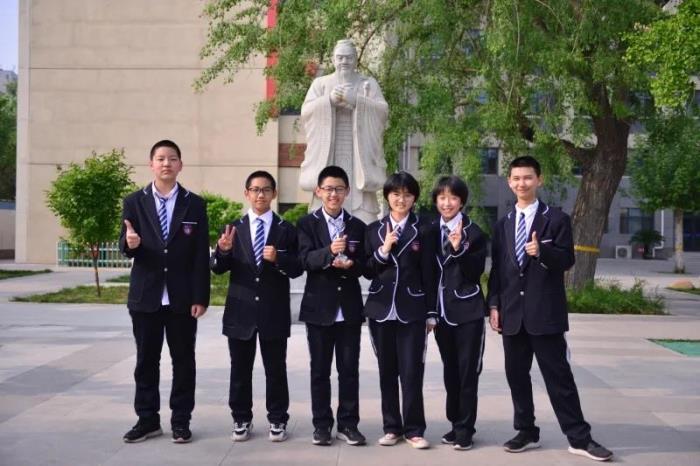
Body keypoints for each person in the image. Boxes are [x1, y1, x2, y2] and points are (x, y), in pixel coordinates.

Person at [487, 156, 613, 462]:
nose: (522, 183)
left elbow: (567, 260)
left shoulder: (556, 219)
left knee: (559, 378)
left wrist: (542, 251)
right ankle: (526, 431)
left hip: (545, 314)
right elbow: (499, 270)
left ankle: (579, 438)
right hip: (512, 315)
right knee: (517, 376)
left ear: (539, 180)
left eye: (528, 177)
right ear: (509, 182)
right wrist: (493, 304)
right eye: (516, 178)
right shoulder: (503, 224)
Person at [119, 139, 210, 444]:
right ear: (151, 164)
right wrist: (129, 244)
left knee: (183, 361)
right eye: (160, 158)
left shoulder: (194, 204)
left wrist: (200, 297)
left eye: (172, 158)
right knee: (146, 361)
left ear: (180, 164)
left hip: (182, 299)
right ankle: (147, 420)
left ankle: (181, 421)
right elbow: (125, 243)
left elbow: (200, 254)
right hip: (146, 296)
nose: (166, 163)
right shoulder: (134, 202)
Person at [210, 170, 302, 443]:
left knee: (276, 370)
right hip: (241, 312)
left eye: (266, 190)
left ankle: (277, 419)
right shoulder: (232, 228)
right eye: (255, 189)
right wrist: (223, 250)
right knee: (240, 370)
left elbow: (298, 268)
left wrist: (279, 258)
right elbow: (217, 268)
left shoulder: (286, 229)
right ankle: (241, 418)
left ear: (274, 194)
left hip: (274, 311)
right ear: (247, 193)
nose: (260, 194)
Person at [363, 172, 437, 449]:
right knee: (387, 372)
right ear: (387, 197)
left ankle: (414, 430)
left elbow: (430, 273)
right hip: (381, 309)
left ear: (414, 198)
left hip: (413, 309)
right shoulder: (374, 230)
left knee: (411, 372)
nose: (401, 199)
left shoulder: (426, 229)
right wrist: (383, 251)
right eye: (396, 194)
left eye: (407, 194)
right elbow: (367, 269)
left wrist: (431, 312)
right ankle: (392, 427)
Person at [297, 165, 368, 446]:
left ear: (347, 191)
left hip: (349, 310)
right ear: (318, 191)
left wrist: (352, 265)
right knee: (320, 371)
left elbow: (364, 266)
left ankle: (348, 424)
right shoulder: (306, 224)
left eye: (339, 189)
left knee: (349, 371)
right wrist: (330, 252)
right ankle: (322, 425)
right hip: (319, 309)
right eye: (328, 189)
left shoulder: (358, 226)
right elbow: (305, 260)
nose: (333, 194)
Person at [424, 175, 488, 451]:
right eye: (442, 198)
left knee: (467, 372)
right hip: (441, 314)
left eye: (452, 198)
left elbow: (475, 273)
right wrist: (429, 312)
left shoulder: (475, 233)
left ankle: (465, 429)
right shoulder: (428, 230)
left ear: (461, 201)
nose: (447, 203)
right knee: (450, 372)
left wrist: (459, 248)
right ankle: (455, 424)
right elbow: (427, 273)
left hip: (468, 312)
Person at [299, 39, 388, 224]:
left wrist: (357, 100)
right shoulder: (320, 84)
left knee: (363, 221)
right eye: (340, 57)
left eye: (348, 57)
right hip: (329, 153)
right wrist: (329, 101)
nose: (344, 61)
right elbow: (306, 113)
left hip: (358, 156)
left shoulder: (368, 84)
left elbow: (382, 112)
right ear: (333, 59)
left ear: (356, 59)